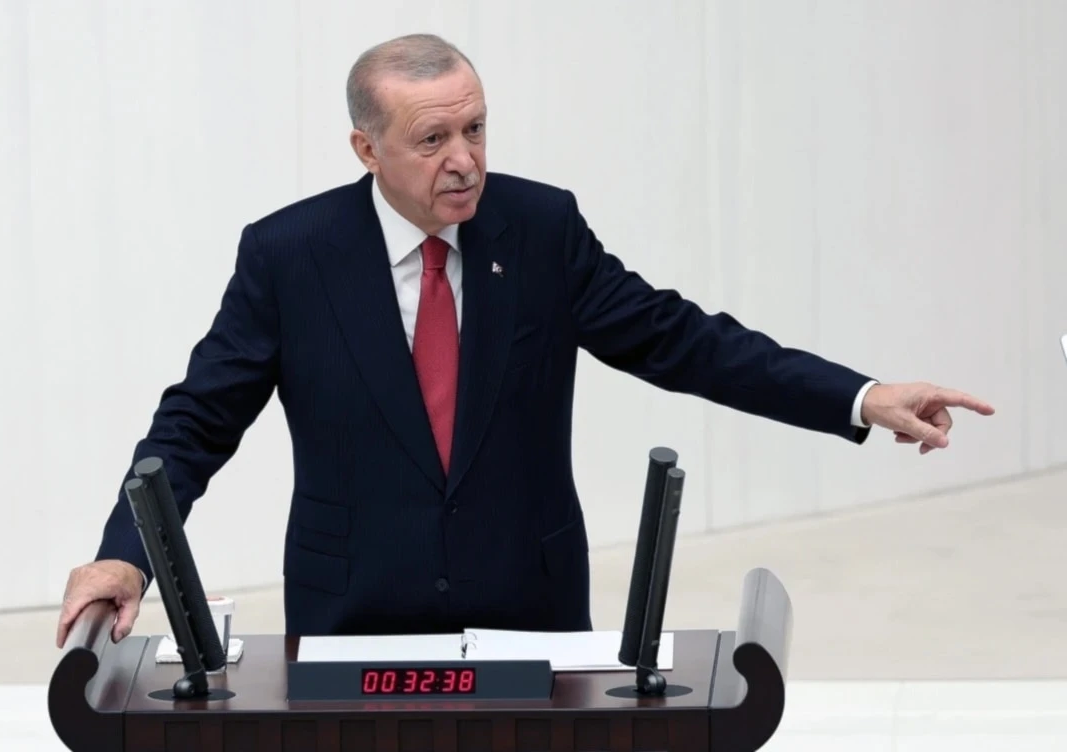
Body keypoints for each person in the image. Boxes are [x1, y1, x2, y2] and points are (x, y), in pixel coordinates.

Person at [55, 34, 994, 647]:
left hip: (529, 614)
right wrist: (124, 552)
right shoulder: (288, 257)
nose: (464, 160)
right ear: (365, 149)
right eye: (432, 140)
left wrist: (860, 397)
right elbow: (196, 421)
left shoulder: (540, 233)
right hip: (355, 620)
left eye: (476, 128)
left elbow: (684, 341)